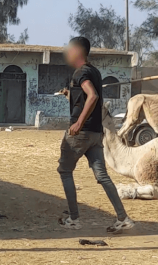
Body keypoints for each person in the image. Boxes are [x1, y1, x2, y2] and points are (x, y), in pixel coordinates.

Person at [58, 36, 135, 232]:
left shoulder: (81, 72)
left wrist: (78, 123)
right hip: (95, 133)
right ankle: (123, 218)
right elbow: (85, 98)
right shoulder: (94, 71)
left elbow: (92, 96)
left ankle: (74, 219)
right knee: (102, 176)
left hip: (81, 133)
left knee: (65, 171)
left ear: (77, 51)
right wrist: (70, 95)